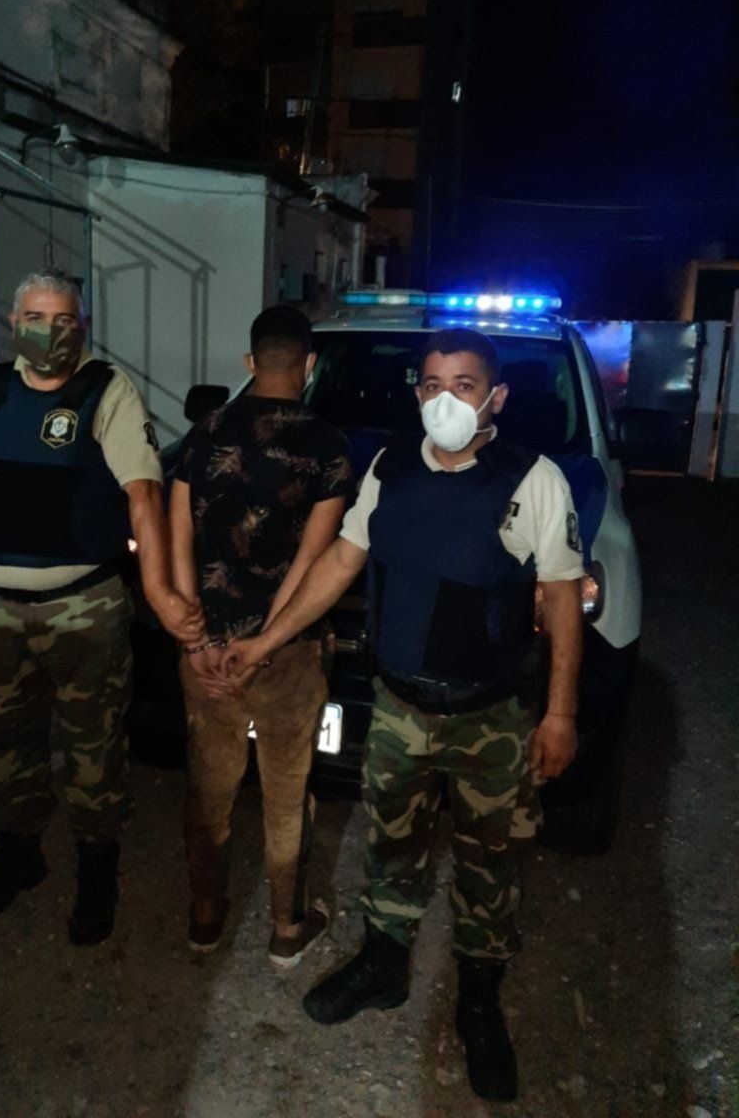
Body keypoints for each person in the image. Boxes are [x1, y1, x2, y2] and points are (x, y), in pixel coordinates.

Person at [221, 326, 584, 1102]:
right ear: (416, 393)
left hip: (489, 716)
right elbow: (340, 563)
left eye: (463, 385)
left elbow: (560, 598)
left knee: (491, 864)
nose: (444, 400)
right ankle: (384, 966)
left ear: (495, 397)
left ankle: (478, 1003)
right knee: (392, 845)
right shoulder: (390, 468)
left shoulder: (534, 479)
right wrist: (264, 643)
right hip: (398, 706)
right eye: (431, 385)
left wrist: (559, 712)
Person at [0, 271, 202, 946]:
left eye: (65, 319)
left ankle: (97, 874)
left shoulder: (107, 391)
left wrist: (160, 592)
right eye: (36, 317)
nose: (50, 330)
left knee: (93, 747)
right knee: (7, 740)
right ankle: (19, 856)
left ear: (84, 326)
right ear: (12, 320)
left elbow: (143, 494)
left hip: (84, 608)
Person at [169, 305, 357, 967]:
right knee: (287, 794)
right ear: (310, 366)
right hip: (287, 655)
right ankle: (286, 927)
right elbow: (313, 559)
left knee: (209, 788)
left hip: (207, 654)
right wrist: (267, 642)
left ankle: (205, 917)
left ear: (250, 363)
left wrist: (195, 640)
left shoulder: (203, 434)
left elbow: (177, 538)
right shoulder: (329, 445)